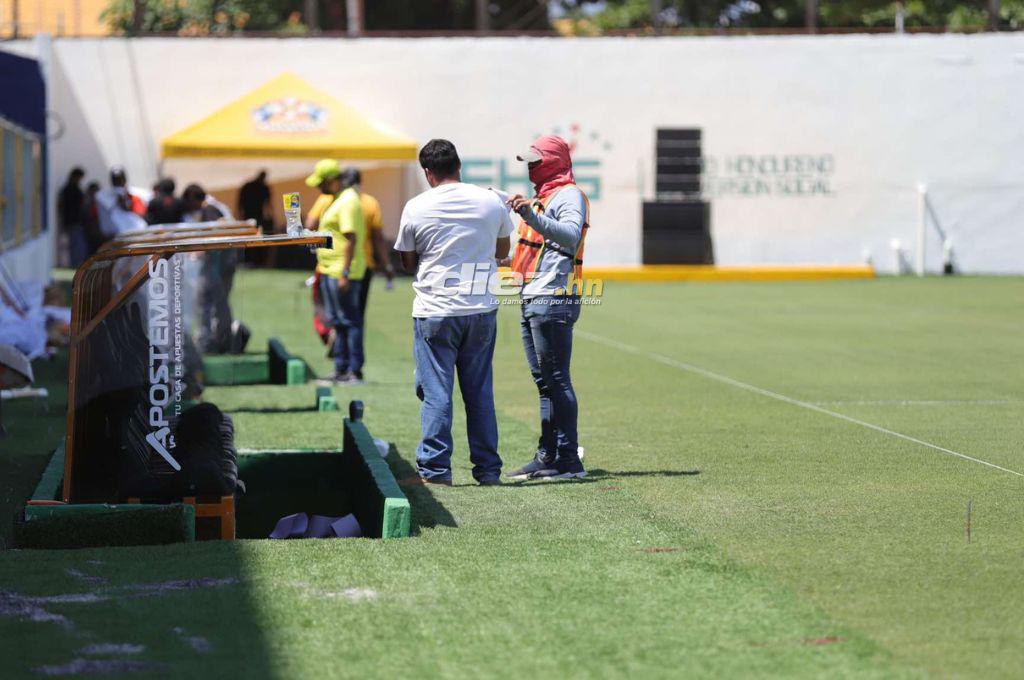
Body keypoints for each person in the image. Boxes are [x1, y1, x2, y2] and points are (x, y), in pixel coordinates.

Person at [394, 139, 514, 486]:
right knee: (479, 393)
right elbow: (502, 249)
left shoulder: (417, 206)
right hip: (481, 309)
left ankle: (435, 471)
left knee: (436, 393)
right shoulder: (490, 201)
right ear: (459, 166)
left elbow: (407, 261)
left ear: (428, 172)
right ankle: (488, 471)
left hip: (435, 310)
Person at [504, 135, 590, 481]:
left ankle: (568, 459)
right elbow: (537, 250)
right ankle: (548, 455)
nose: (530, 167)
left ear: (553, 161)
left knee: (556, 380)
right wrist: (500, 257)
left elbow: (569, 235)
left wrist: (529, 213)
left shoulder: (568, 195)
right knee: (546, 383)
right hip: (535, 297)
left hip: (553, 298)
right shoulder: (543, 197)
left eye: (536, 161)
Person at [313, 163, 367, 385]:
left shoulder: (348, 201)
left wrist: (345, 272)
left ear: (334, 179)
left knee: (349, 321)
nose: (319, 188)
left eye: (322, 183)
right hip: (329, 269)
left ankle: (354, 371)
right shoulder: (336, 199)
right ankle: (340, 368)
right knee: (337, 321)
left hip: (341, 272)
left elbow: (351, 238)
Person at [182, 184, 247, 354]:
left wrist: (197, 252)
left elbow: (213, 235)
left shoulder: (209, 209)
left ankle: (209, 343)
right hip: (226, 262)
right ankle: (222, 341)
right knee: (221, 303)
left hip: (217, 263)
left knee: (207, 302)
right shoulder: (218, 206)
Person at [339, 167, 395, 319]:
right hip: (363, 264)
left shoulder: (334, 200)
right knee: (357, 316)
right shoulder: (370, 202)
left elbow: (311, 224)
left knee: (338, 318)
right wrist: (386, 265)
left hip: (337, 264)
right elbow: (377, 238)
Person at [95, 166, 146, 241]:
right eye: (116, 180)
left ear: (124, 179)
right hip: (114, 233)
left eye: (120, 179)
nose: (118, 182)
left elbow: (139, 212)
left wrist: (126, 197)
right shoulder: (102, 196)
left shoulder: (134, 194)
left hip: (133, 230)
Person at [57, 167, 87, 267]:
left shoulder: (68, 189)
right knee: (76, 245)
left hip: (73, 221)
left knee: (76, 245)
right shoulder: (71, 189)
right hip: (73, 221)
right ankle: (74, 264)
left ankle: (74, 264)